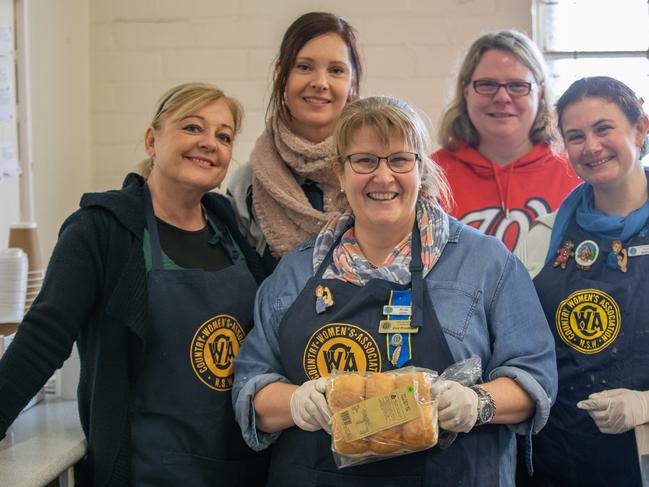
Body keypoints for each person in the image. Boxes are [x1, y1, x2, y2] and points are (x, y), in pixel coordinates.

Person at [233, 96, 557, 486]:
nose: (383, 177)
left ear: (422, 170)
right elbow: (253, 387)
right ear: (340, 170)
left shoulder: (485, 262)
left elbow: (534, 376)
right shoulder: (296, 271)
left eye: (400, 160)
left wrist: (478, 402)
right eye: (365, 160)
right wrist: (297, 402)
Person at [0, 83, 269, 486]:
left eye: (224, 135)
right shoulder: (102, 229)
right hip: (148, 473)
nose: (209, 143)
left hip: (237, 470)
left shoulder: (229, 228)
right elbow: (44, 336)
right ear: (151, 140)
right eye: (193, 127)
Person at [515, 76, 649, 486]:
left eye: (603, 128)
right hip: (556, 455)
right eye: (576, 136)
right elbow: (515, 346)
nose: (591, 147)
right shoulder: (544, 233)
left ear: (640, 129)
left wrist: (647, 405)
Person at [227, 11, 362, 273]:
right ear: (281, 73)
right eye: (304, 67)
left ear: (352, 81)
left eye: (336, 70)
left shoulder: (383, 171)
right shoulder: (248, 185)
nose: (320, 83)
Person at [434, 30, 580, 252]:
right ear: (466, 91)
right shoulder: (432, 176)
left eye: (517, 86)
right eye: (487, 85)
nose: (502, 97)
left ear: (540, 92)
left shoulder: (575, 172)